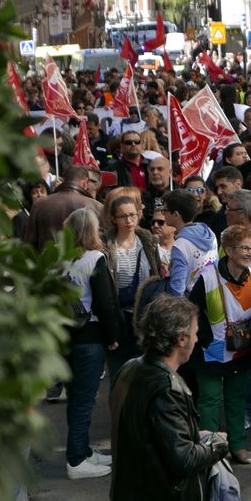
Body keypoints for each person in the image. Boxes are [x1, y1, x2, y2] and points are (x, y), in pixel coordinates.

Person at [109, 295, 231, 501]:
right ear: (182, 339)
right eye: (195, 333)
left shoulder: (130, 368)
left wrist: (195, 434)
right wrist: (217, 445)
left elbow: (147, 432)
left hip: (139, 499)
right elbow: (182, 458)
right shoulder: (167, 387)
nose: (197, 339)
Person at [186, 225, 251, 465]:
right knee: (209, 399)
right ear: (228, 250)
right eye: (244, 248)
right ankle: (210, 450)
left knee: (236, 398)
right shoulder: (207, 277)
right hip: (210, 350)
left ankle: (238, 446)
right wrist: (207, 342)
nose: (250, 253)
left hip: (240, 349)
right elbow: (193, 311)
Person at [63, 208, 120, 480]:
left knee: (75, 397)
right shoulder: (95, 258)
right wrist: (112, 337)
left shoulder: (58, 260)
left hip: (65, 338)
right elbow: (105, 303)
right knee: (84, 400)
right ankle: (76, 459)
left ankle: (82, 450)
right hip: (89, 336)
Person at [105, 195, 162, 379]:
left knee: (144, 372)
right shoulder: (106, 246)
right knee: (119, 372)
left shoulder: (149, 243)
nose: (128, 220)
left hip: (145, 315)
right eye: (123, 216)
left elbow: (157, 275)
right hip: (118, 316)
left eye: (132, 215)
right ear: (114, 218)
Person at [24, 166, 102, 251]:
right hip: (84, 262)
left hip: (48, 261)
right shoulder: (96, 206)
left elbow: (29, 246)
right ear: (85, 183)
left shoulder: (39, 204)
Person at [163, 189, 218, 297]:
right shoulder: (209, 233)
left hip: (191, 304)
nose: (163, 214)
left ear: (175, 214)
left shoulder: (180, 245)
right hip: (213, 296)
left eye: (164, 210)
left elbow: (177, 289)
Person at [150, 208, 175, 276]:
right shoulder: (148, 249)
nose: (155, 226)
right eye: (153, 222)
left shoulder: (182, 247)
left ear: (173, 227)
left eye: (160, 222)